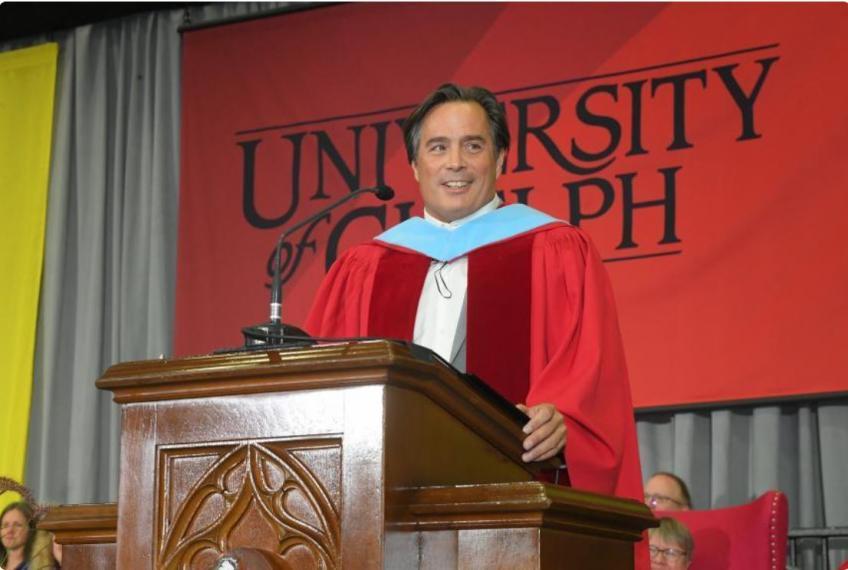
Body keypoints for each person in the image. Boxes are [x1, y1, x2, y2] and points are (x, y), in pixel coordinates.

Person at [305, 83, 646, 562]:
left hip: (508, 511)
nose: (455, 163)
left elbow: (592, 370)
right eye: (438, 147)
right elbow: (323, 387)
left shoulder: (557, 249)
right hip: (387, 508)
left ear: (501, 159)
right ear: (415, 166)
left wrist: (564, 419)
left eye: (473, 145)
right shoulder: (365, 266)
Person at [0, 502, 58, 570]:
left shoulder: (41, 567)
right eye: (5, 525)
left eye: (17, 525)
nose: (10, 531)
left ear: (31, 529)